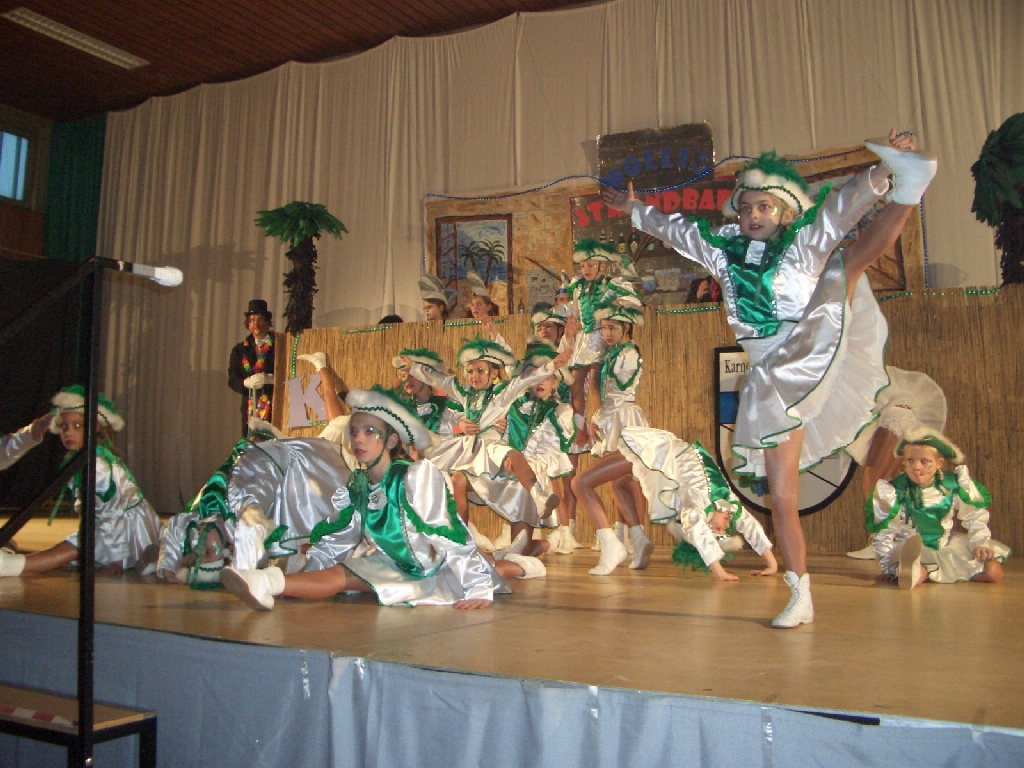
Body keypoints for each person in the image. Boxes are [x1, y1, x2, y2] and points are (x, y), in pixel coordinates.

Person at [605, 130, 937, 627]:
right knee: (781, 497)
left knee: (849, 262)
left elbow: (840, 210)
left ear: (783, 212)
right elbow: (679, 232)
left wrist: (880, 173)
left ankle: (908, 184)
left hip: (805, 349)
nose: (754, 215)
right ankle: (800, 593)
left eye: (765, 207)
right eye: (746, 208)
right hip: (766, 376)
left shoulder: (801, 245)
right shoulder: (723, 254)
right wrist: (635, 209)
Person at [220, 387, 542, 611]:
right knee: (341, 575)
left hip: (432, 566)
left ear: (391, 441)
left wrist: (478, 586)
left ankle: (524, 564)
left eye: (370, 432)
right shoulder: (358, 486)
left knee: (493, 570)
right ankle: (267, 583)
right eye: (354, 431)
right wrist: (306, 575)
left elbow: (446, 532)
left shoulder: (415, 476)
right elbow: (339, 540)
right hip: (392, 563)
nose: (359, 439)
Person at [401, 340, 570, 556]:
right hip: (470, 450)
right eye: (470, 371)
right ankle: (460, 542)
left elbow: (523, 380)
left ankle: (538, 496)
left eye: (480, 371)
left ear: (494, 373)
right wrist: (415, 368)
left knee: (512, 455)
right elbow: (440, 380)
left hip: (491, 448)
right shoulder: (464, 394)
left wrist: (551, 366)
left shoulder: (501, 395)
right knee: (456, 481)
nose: (474, 376)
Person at [156, 420, 354, 586]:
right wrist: (242, 573)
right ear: (226, 553)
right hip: (284, 463)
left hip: (257, 458)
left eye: (195, 551)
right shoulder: (241, 512)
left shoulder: (200, 518)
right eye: (208, 552)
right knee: (338, 430)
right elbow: (252, 528)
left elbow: (175, 525)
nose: (199, 543)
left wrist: (168, 566)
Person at [0, 386, 161, 578]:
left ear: (95, 427)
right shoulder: (81, 458)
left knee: (74, 546)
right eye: (64, 427)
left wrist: (117, 558)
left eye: (77, 426)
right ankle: (13, 559)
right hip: (107, 527)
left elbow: (112, 514)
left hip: (123, 533)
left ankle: (11, 565)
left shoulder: (97, 466)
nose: (68, 433)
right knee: (72, 549)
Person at [614, 430, 777, 580]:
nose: (727, 525)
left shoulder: (695, 504)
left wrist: (718, 571)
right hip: (684, 449)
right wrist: (772, 565)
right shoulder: (729, 504)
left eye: (719, 529)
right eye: (727, 530)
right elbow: (750, 526)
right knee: (617, 483)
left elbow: (696, 527)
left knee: (619, 463)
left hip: (665, 452)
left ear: (707, 525)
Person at [570, 302, 655, 575]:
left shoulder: (627, 354)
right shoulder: (614, 353)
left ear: (626, 327)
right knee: (618, 483)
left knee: (589, 482)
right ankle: (637, 539)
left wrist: (593, 366)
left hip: (624, 421)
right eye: (604, 328)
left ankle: (617, 542)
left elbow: (614, 393)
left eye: (612, 328)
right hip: (613, 419)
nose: (606, 333)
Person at [868, 427, 1008, 589]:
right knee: (918, 572)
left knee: (993, 572)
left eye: (924, 461)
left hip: (943, 547)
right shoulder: (894, 490)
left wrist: (980, 543)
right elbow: (885, 531)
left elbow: (974, 516)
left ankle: (942, 573)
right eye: (910, 461)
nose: (916, 467)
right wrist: (887, 566)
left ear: (939, 464)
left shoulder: (951, 485)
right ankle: (912, 572)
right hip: (909, 548)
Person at [845, 367, 947, 558]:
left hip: (894, 417)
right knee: (885, 482)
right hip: (898, 415)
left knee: (877, 482)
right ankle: (888, 540)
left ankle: (882, 542)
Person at [228, 299, 276, 437]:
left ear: (267, 322)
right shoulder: (239, 350)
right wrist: (245, 383)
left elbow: (289, 372)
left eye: (260, 319)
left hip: (275, 406)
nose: (256, 324)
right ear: (247, 324)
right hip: (250, 408)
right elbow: (232, 379)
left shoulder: (279, 345)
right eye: (252, 320)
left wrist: (271, 379)